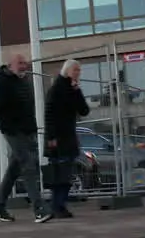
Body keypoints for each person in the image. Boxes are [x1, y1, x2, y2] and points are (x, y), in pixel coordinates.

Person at [0, 53, 52, 223]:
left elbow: (27, 107)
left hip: (27, 131)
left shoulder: (23, 81)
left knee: (14, 170)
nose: (24, 66)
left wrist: (32, 129)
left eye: (25, 63)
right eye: (20, 63)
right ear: (10, 65)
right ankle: (39, 209)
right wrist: (9, 129)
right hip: (14, 132)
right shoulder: (2, 82)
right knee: (28, 166)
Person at [45, 59, 89, 219]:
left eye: (79, 70)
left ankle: (59, 205)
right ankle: (57, 206)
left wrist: (77, 91)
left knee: (66, 172)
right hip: (58, 137)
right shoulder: (57, 88)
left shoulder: (72, 89)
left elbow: (84, 110)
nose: (78, 73)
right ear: (67, 71)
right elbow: (49, 114)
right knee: (60, 173)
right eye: (75, 70)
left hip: (69, 136)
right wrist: (51, 137)